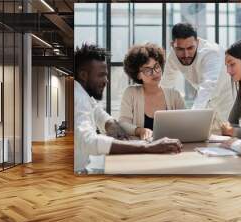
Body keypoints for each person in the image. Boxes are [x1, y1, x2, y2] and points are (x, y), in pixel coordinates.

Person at [74, 44, 182, 173]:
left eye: (157, 67)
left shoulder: (84, 96)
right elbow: (89, 141)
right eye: (101, 75)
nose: (106, 80)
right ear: (83, 75)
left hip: (84, 168)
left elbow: (99, 113)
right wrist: (147, 147)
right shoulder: (78, 98)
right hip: (77, 171)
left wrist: (111, 124)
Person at [160, 22, 234, 129]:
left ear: (197, 42)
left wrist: (192, 117)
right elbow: (166, 84)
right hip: (205, 104)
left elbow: (207, 86)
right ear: (172, 45)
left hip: (227, 101)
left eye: (190, 48)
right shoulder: (173, 56)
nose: (186, 55)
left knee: (224, 137)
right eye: (180, 49)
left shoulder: (211, 53)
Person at [119, 43, 185, 140]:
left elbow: (186, 123)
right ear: (138, 75)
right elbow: (122, 124)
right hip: (142, 150)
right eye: (147, 70)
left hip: (171, 148)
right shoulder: (130, 93)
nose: (154, 73)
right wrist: (140, 130)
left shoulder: (174, 95)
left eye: (156, 66)